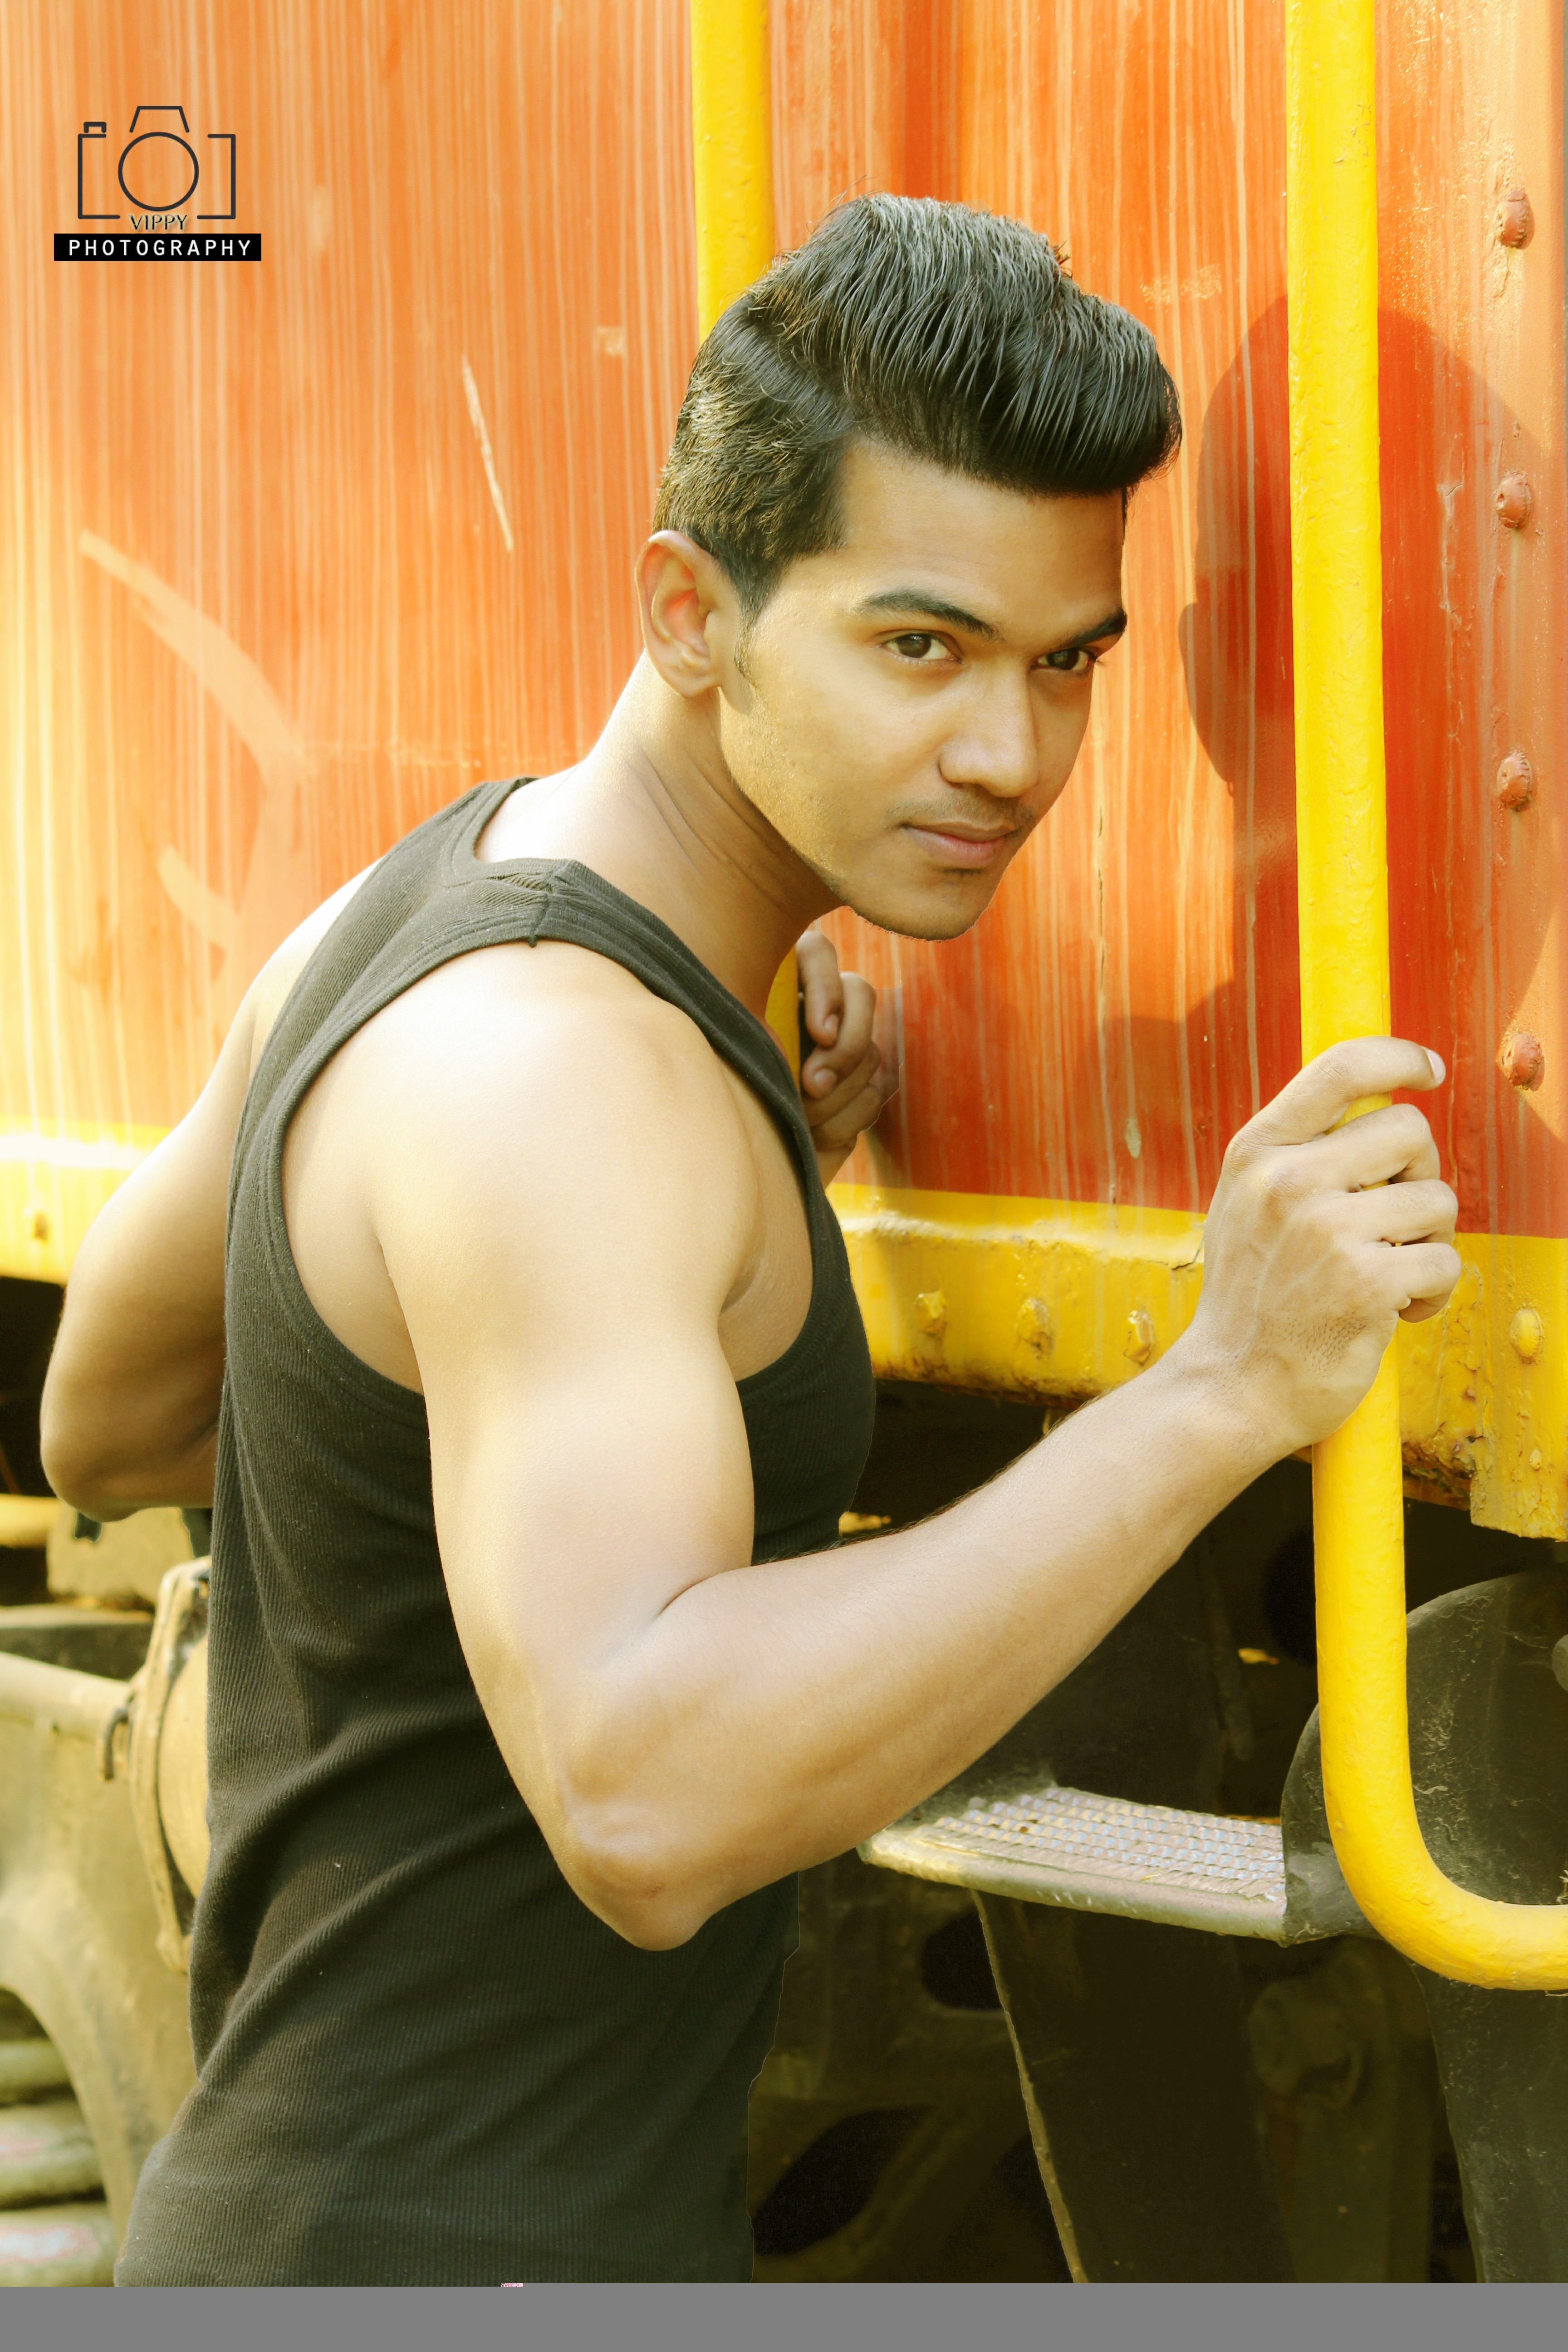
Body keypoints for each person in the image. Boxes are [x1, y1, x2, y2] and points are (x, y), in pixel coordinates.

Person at [40, 196, 1460, 2283]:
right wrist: (1220, 1389)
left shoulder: (406, 920)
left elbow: (110, 1416)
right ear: (689, 611)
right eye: (920, 648)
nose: (1012, 754)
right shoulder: (564, 1082)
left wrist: (605, 1287)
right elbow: (646, 1803)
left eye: (1068, 663)